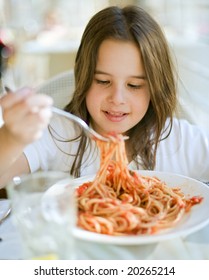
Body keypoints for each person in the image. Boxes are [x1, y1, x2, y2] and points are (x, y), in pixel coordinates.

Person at [0, 5, 209, 189]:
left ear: (156, 87)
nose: (117, 98)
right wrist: (12, 137)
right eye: (102, 81)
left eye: (134, 85)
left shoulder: (182, 140)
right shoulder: (59, 132)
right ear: (83, 77)